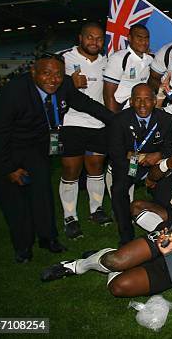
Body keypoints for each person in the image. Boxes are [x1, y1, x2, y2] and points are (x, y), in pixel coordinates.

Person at [0, 53, 112, 263]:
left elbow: (86, 103)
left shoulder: (63, 86)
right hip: (7, 151)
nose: (53, 79)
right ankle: (23, 247)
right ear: (33, 72)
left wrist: (116, 120)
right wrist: (10, 168)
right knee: (16, 203)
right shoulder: (13, 92)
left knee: (42, 196)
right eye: (46, 73)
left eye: (58, 74)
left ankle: (48, 238)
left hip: (36, 149)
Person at [57, 22, 112, 239]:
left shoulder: (107, 62)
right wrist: (68, 81)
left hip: (99, 124)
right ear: (80, 38)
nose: (94, 42)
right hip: (72, 122)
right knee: (71, 169)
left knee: (96, 166)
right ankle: (70, 216)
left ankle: (95, 210)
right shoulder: (64, 59)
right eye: (90, 37)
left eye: (99, 39)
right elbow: (48, 82)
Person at [107, 83, 172, 245]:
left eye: (147, 100)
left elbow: (171, 146)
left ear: (154, 101)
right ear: (131, 101)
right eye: (138, 100)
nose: (142, 104)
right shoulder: (119, 120)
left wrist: (159, 155)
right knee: (118, 190)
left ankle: (165, 228)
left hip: (155, 165)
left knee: (166, 193)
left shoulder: (165, 119)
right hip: (129, 165)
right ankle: (126, 235)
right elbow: (116, 153)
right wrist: (136, 162)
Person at [103, 24, 152, 112]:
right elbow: (108, 95)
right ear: (129, 38)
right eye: (139, 38)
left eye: (146, 38)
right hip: (121, 110)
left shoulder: (149, 59)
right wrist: (114, 120)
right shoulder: (119, 58)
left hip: (141, 110)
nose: (143, 42)